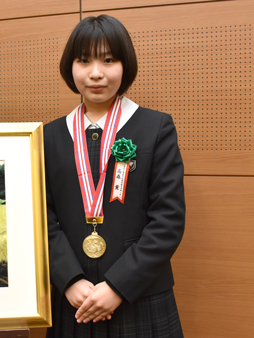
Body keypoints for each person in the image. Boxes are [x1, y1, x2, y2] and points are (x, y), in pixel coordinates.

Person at [44, 15, 185, 337]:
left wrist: (118, 286)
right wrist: (68, 278)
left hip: (140, 295)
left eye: (108, 60)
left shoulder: (156, 128)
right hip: (74, 298)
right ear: (71, 67)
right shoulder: (49, 136)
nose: (96, 73)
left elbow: (168, 219)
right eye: (84, 61)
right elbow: (40, 218)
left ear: (126, 64)